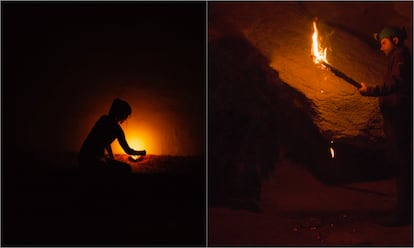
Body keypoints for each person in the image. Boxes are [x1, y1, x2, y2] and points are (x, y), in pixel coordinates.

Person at [359, 26, 412, 226]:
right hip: (397, 117)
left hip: (401, 118)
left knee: (405, 165)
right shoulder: (397, 57)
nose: (380, 48)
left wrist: (371, 90)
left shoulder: (400, 59)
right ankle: (403, 210)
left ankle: (404, 213)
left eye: (383, 42)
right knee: (402, 164)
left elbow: (395, 85)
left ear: (395, 40)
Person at [79, 98, 146, 175]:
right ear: (123, 113)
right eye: (127, 115)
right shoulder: (117, 129)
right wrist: (142, 152)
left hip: (82, 158)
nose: (126, 118)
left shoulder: (103, 119)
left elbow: (105, 141)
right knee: (127, 168)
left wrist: (112, 158)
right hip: (95, 161)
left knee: (108, 163)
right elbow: (128, 151)